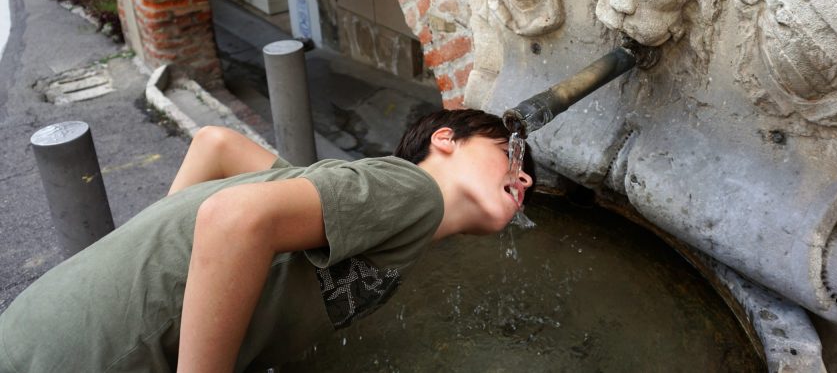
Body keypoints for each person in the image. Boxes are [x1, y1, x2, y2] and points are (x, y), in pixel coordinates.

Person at [0, 108, 535, 372]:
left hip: (48, 328)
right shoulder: (415, 191)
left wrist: (165, 264)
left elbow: (216, 145)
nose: (525, 177)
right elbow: (234, 220)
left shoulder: (348, 197)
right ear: (445, 140)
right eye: (510, 154)